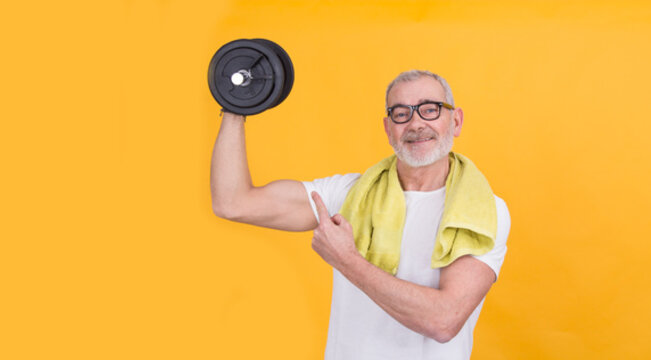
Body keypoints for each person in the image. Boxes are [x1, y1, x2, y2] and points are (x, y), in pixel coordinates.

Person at [210, 70, 510, 359]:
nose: (416, 123)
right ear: (388, 129)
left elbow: (443, 321)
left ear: (455, 121)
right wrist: (236, 105)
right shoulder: (348, 195)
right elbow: (233, 202)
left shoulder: (482, 212)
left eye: (430, 110)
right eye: (401, 113)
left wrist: (347, 260)